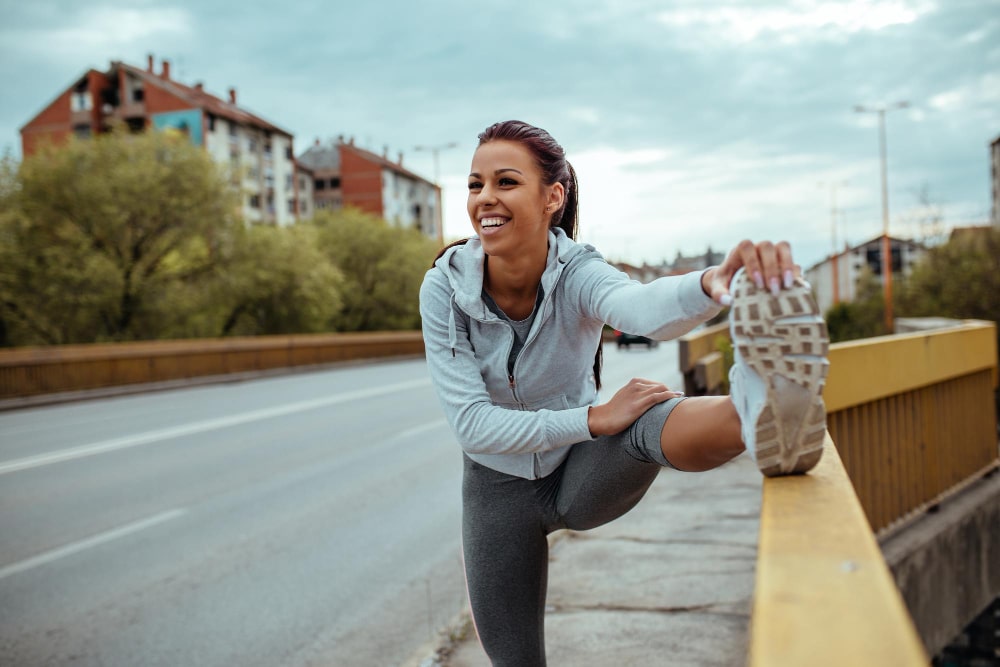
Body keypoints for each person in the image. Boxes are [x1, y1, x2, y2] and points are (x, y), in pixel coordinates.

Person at [418, 120, 829, 666]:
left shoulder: (578, 273)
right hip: (497, 495)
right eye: (475, 185)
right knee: (515, 662)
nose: (485, 198)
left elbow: (641, 308)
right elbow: (472, 424)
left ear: (552, 197)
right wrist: (592, 419)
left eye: (506, 182)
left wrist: (710, 283)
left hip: (581, 476)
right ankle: (747, 410)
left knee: (642, 420)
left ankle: (752, 412)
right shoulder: (444, 288)